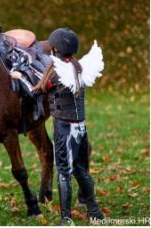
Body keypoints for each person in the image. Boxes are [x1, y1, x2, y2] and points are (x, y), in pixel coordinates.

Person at [34, 28, 104, 223]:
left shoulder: (57, 73)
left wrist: (18, 76)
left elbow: (37, 91)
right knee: (80, 169)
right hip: (80, 127)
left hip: (64, 129)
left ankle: (66, 219)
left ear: (55, 49)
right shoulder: (79, 68)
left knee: (64, 173)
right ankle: (94, 211)